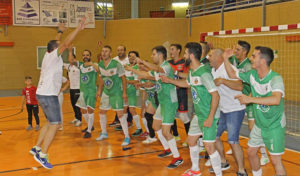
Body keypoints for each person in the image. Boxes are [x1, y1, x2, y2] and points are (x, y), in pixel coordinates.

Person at [29, 17, 87, 169]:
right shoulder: (54, 55)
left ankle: (36, 147)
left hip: (41, 94)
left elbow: (58, 41)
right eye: (59, 47)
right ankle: (42, 155)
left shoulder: (49, 55)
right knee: (55, 124)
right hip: (48, 95)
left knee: (49, 122)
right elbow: (66, 43)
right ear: (56, 49)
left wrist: (60, 31)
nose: (61, 47)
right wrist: (78, 29)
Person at [223, 46, 287, 176]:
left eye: (254, 56)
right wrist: (225, 59)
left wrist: (250, 99)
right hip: (259, 125)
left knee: (275, 161)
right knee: (251, 152)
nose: (251, 59)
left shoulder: (276, 78)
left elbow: (276, 100)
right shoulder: (252, 75)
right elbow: (232, 74)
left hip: (274, 126)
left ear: (262, 61)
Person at [161, 42, 222, 176]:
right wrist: (169, 80)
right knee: (191, 141)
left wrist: (210, 117)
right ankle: (195, 169)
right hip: (199, 114)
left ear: (192, 55)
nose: (184, 56)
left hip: (208, 115)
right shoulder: (193, 71)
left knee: (210, 147)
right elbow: (186, 84)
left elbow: (216, 95)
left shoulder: (203, 73)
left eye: (185, 53)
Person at [136, 46, 183, 169]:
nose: (152, 56)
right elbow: (146, 74)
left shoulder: (166, 66)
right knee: (155, 126)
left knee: (166, 131)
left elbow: (157, 68)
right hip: (162, 102)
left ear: (160, 55)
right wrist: (131, 69)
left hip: (169, 103)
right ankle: (167, 149)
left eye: (153, 54)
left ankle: (177, 157)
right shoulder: (158, 70)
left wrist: (142, 61)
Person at [226, 40, 270, 166]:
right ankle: (234, 145)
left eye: (238, 49)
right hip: (239, 98)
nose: (235, 52)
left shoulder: (249, 66)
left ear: (245, 52)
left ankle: (264, 155)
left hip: (250, 98)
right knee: (235, 124)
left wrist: (249, 99)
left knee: (253, 128)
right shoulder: (234, 59)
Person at [208, 48, 247, 175]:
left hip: (235, 109)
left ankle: (242, 170)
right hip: (223, 109)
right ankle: (223, 161)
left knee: (233, 140)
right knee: (214, 136)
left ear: (219, 57)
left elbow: (240, 86)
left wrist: (223, 81)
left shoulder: (229, 68)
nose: (208, 57)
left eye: (211, 55)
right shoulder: (213, 70)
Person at [95, 45, 130, 146]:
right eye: (102, 51)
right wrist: (99, 91)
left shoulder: (116, 64)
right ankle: (104, 133)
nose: (104, 53)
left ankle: (127, 136)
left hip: (116, 92)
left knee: (120, 114)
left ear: (110, 53)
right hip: (106, 92)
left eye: (106, 51)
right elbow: (101, 78)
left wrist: (124, 92)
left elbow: (123, 78)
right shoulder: (100, 64)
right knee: (102, 111)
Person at [68, 48, 98, 138]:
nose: (85, 57)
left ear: (90, 56)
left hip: (91, 91)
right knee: (83, 110)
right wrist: (70, 51)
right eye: (84, 55)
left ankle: (89, 131)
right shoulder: (80, 65)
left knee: (90, 110)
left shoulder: (94, 65)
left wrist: (91, 63)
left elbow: (99, 70)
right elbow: (71, 61)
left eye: (87, 55)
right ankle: (90, 126)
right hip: (83, 91)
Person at [168, 44, 191, 146]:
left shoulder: (184, 62)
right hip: (171, 92)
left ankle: (189, 138)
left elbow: (188, 78)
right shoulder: (168, 63)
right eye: (170, 49)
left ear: (178, 50)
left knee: (183, 116)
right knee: (170, 114)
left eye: (172, 49)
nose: (171, 51)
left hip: (181, 91)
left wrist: (176, 74)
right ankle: (176, 134)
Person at [110, 45, 133, 129]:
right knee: (119, 102)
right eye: (118, 50)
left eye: (121, 50)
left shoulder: (129, 59)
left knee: (128, 103)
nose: (120, 52)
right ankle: (118, 119)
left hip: (129, 83)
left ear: (125, 51)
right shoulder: (114, 60)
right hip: (118, 85)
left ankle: (129, 121)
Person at [125, 51, 143, 136]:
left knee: (132, 110)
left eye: (133, 56)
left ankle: (139, 128)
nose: (131, 57)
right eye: (130, 56)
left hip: (133, 92)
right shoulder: (125, 67)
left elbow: (136, 81)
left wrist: (126, 81)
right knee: (124, 109)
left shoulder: (137, 68)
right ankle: (124, 126)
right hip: (125, 91)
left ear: (137, 58)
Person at [63, 52, 82, 127]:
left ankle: (80, 120)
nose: (70, 60)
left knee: (77, 105)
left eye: (72, 59)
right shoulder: (68, 67)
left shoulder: (78, 66)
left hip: (78, 88)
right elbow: (60, 63)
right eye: (69, 59)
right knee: (73, 104)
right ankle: (76, 118)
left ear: (74, 59)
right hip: (71, 89)